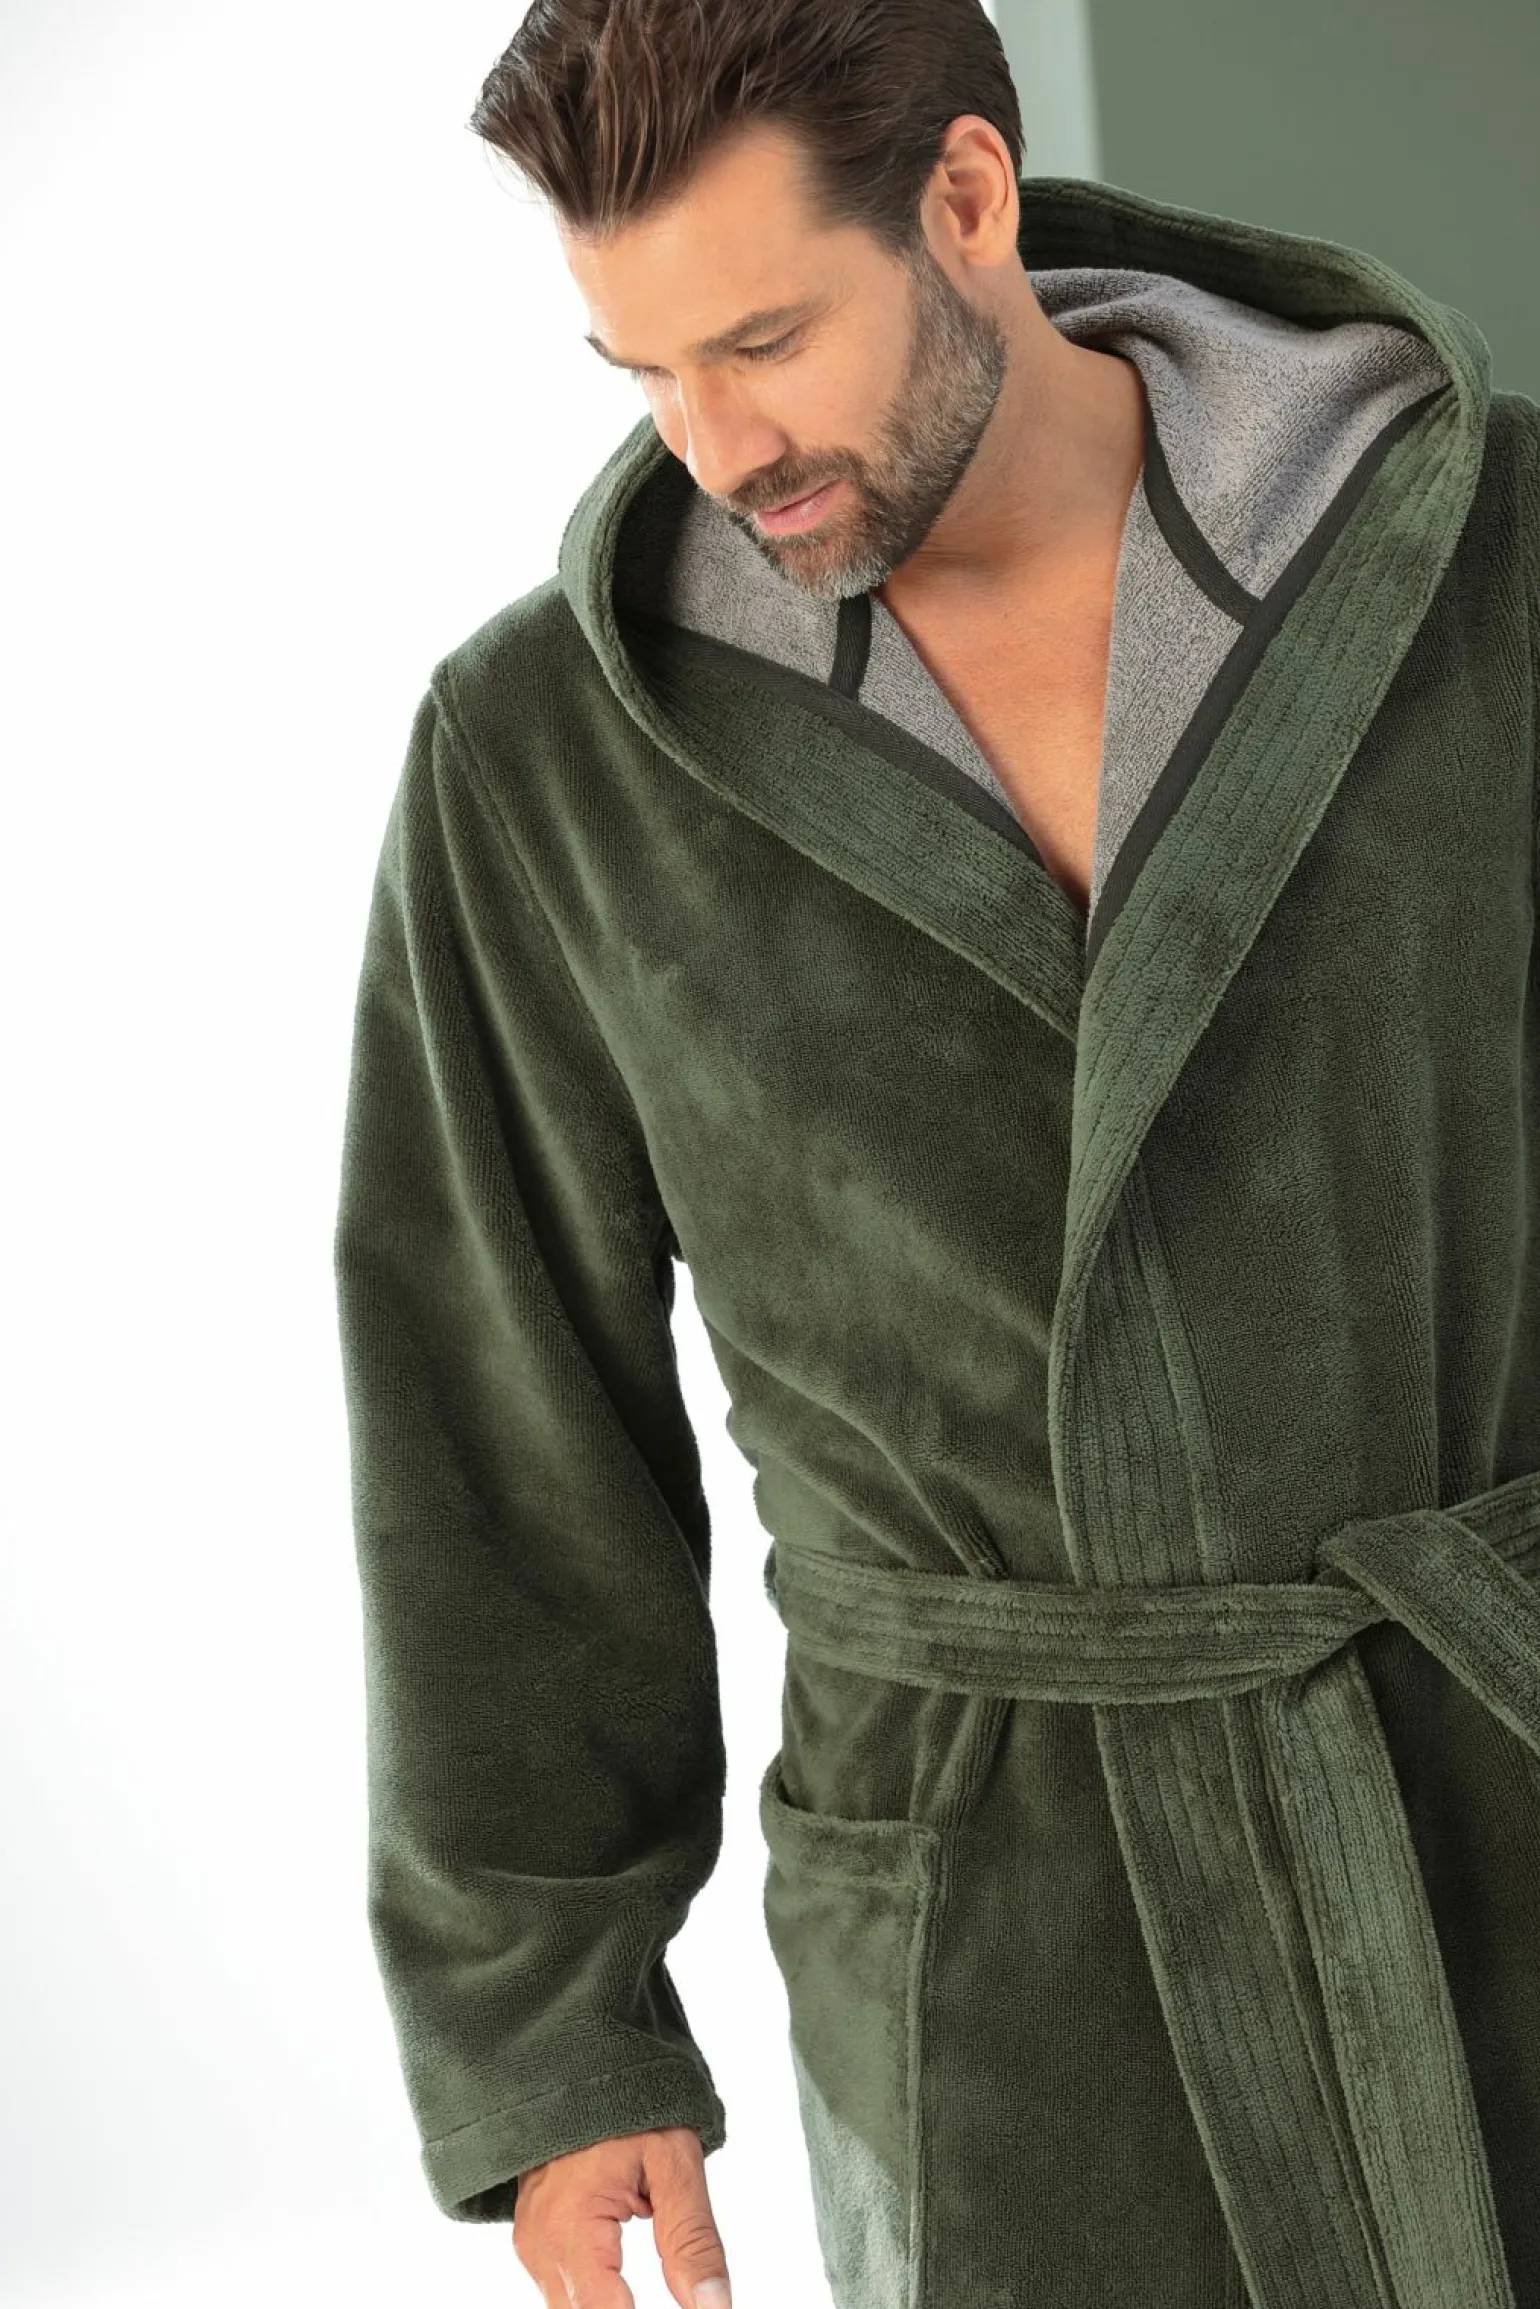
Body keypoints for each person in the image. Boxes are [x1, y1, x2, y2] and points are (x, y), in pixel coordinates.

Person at [331, 2, 1540, 2305]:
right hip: (996, 1930)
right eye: (640, 370)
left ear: (965, 201)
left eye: (765, 339)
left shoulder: (1486, 573)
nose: (716, 446)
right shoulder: (551, 757)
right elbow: (492, 1408)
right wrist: (553, 2030)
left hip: (1482, 1783)